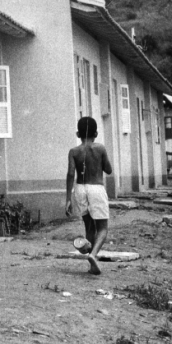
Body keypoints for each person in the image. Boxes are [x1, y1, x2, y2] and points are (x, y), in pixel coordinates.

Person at [65, 116, 113, 275]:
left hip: (80, 189)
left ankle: (91, 261)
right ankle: (93, 255)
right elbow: (108, 170)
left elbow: (71, 174)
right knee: (103, 228)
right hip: (96, 188)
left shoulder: (74, 151)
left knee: (89, 226)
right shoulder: (100, 148)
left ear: (78, 134)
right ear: (96, 133)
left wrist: (67, 199)